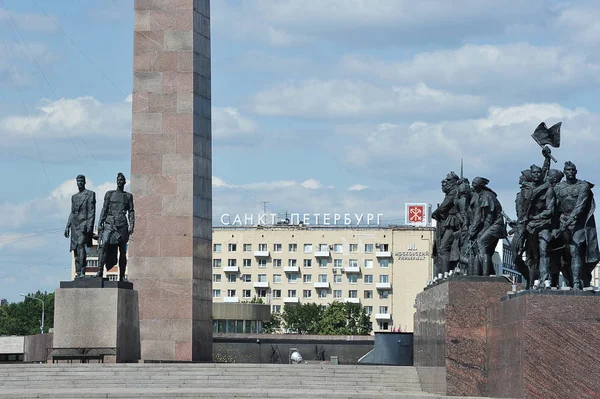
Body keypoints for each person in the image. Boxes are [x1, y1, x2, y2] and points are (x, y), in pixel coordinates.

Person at [553, 161, 599, 289]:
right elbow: (553, 206)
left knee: (575, 250)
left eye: (573, 170)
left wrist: (566, 224)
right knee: (564, 254)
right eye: (568, 170)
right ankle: (567, 279)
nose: (571, 172)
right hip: (563, 221)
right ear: (564, 172)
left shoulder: (583, 186)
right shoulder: (558, 188)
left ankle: (577, 283)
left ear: (576, 171)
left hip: (579, 223)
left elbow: (580, 207)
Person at [520, 164, 555, 288]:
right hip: (530, 227)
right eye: (534, 173)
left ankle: (545, 279)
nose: (536, 175)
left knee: (543, 250)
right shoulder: (525, 190)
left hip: (543, 224)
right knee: (533, 255)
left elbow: (550, 210)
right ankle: (535, 279)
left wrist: (535, 217)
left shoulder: (548, 189)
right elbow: (522, 210)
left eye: (538, 173)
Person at [97, 173, 135, 281]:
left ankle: (122, 276)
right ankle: (100, 271)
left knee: (122, 250)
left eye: (122, 180)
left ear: (124, 182)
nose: (120, 182)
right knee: (104, 243)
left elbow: (131, 211)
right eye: (118, 180)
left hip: (122, 225)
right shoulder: (109, 194)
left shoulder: (128, 196)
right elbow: (104, 209)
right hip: (110, 223)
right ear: (116, 181)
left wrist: (132, 225)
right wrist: (100, 223)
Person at [469, 177, 506, 276]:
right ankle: (490, 272)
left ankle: (485, 275)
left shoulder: (487, 196)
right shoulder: (481, 195)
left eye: (474, 184)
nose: (472, 186)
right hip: (492, 226)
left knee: (481, 242)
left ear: (480, 186)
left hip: (496, 226)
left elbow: (489, 218)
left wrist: (481, 232)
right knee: (487, 251)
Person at [64, 175, 96, 278]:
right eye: (78, 181)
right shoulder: (74, 197)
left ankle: (82, 271)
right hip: (74, 225)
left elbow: (92, 211)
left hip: (84, 224)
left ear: (85, 182)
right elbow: (72, 212)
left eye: (82, 181)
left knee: (80, 245)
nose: (80, 183)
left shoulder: (90, 194)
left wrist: (90, 226)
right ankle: (78, 272)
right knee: (75, 249)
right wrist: (67, 226)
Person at [432, 172, 460, 275]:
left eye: (448, 180)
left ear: (453, 182)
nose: (445, 182)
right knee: (442, 248)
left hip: (454, 222)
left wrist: (435, 213)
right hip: (451, 221)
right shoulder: (452, 191)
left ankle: (444, 274)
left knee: (443, 249)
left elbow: (445, 205)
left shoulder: (454, 191)